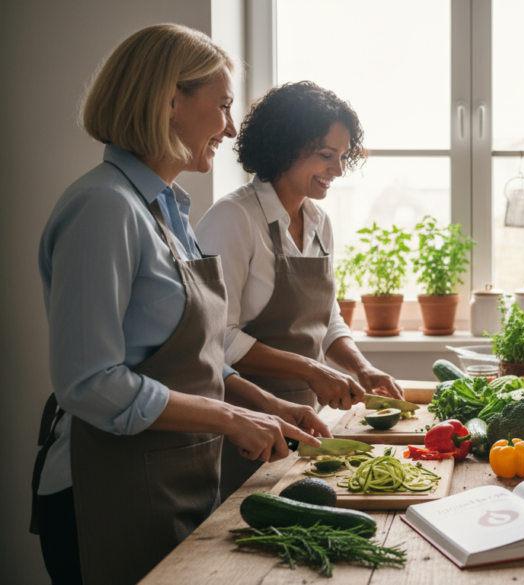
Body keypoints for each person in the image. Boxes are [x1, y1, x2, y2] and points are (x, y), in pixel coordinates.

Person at [32, 25, 328, 585]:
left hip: (171, 478)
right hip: (105, 490)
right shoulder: (104, 207)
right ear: (170, 101)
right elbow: (90, 382)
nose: (231, 127)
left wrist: (265, 403)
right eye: (221, 105)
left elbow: (200, 355)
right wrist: (229, 416)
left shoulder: (168, 209)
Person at [196, 81, 404, 498]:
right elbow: (218, 337)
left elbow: (326, 319)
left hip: (306, 416)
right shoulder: (233, 219)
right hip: (246, 421)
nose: (338, 170)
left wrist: (360, 367)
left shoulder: (318, 221)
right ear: (284, 147)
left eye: (342, 157)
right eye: (326, 155)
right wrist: (311, 369)